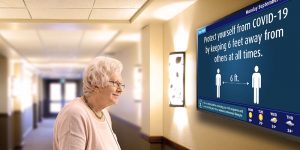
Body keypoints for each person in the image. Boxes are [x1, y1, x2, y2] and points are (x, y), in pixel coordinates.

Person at [53, 56, 124, 150]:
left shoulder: (104, 113)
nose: (120, 89)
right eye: (115, 83)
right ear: (96, 84)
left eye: (121, 84)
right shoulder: (75, 114)